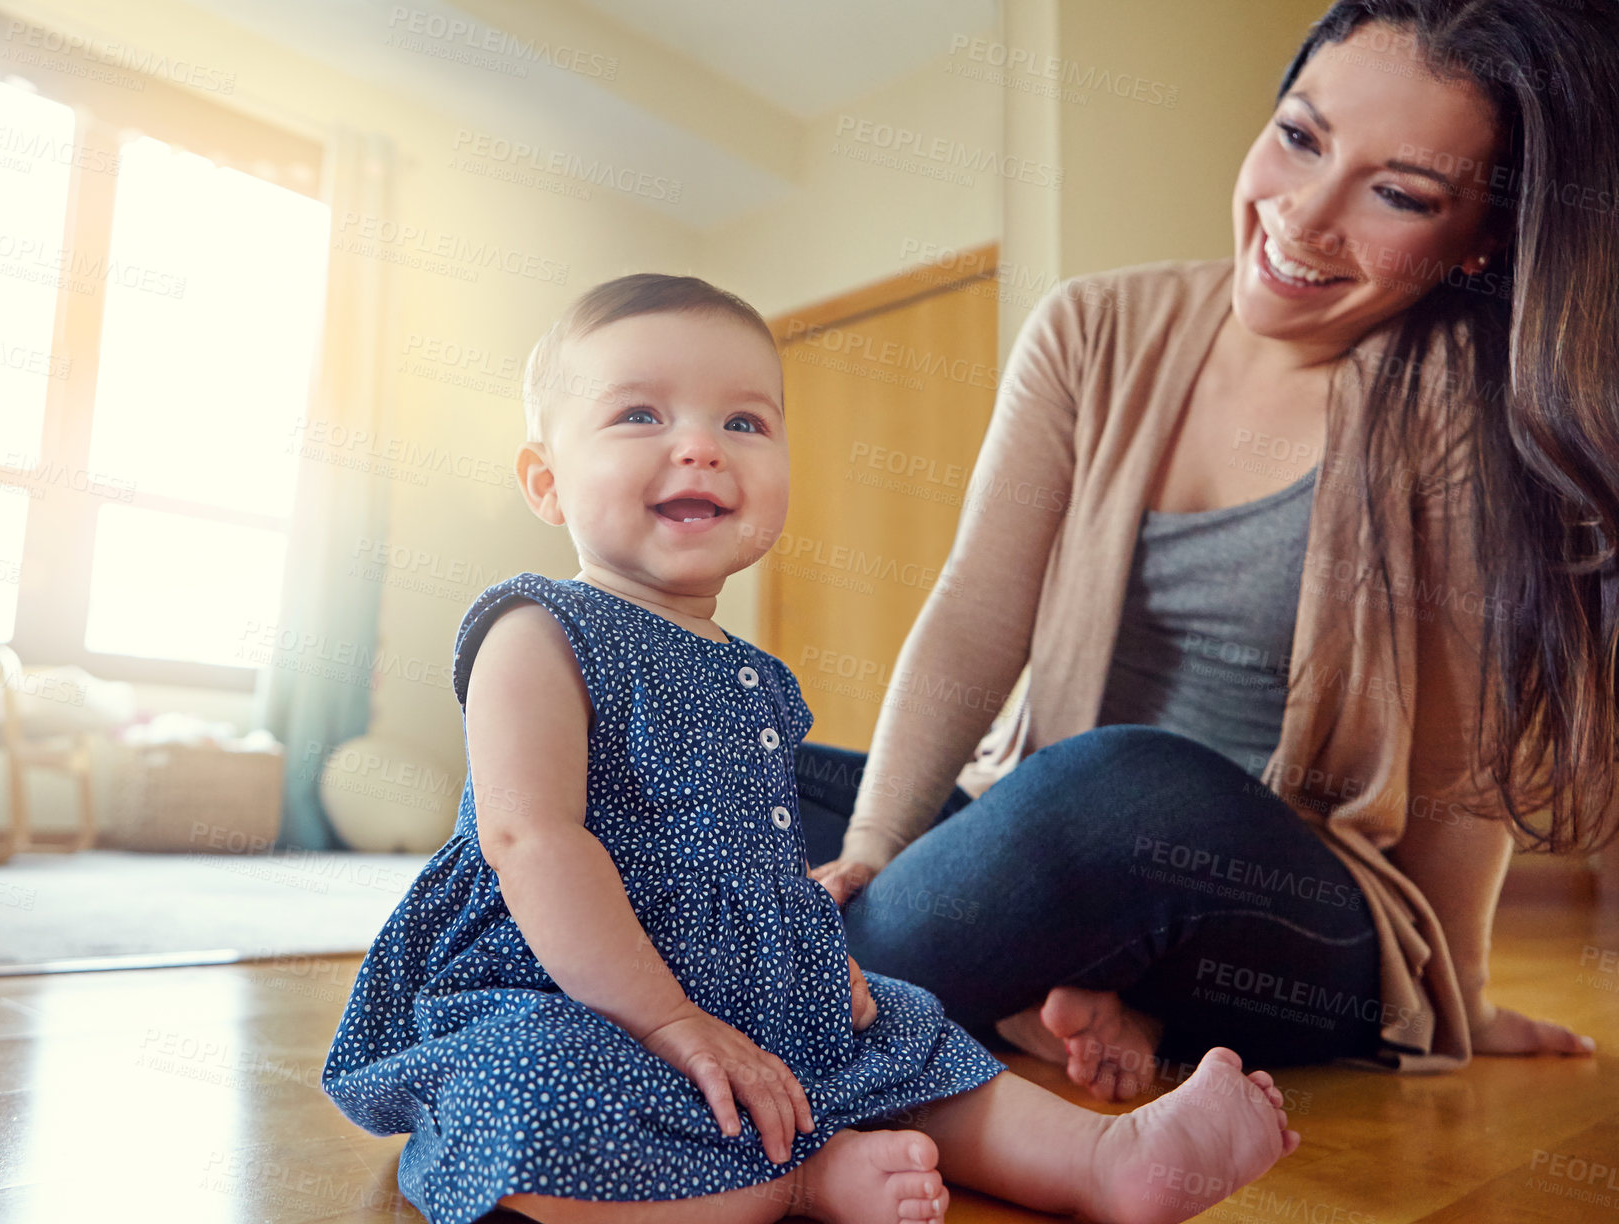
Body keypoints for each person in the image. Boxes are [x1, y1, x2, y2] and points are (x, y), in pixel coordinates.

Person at [320, 274, 1301, 1224]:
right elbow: (532, 843)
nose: (700, 448)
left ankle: (1105, 1163)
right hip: (568, 991)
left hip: (746, 998)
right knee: (530, 1089)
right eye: (639, 417)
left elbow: (758, 854)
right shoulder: (536, 632)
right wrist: (667, 1024)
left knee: (911, 1035)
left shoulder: (754, 676)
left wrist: (812, 962)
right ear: (545, 480)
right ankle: (799, 1185)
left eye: (743, 423)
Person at [803, 0, 1619, 1107]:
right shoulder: (1089, 329)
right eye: (1299, 136)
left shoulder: (1459, 413)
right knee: (710, 762)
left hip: (1279, 903)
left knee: (1119, 787)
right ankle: (1005, 986)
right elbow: (975, 608)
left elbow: (1457, 766)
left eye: (1398, 194)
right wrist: (872, 851)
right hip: (1047, 829)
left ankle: (771, 1003)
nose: (1305, 217)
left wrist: (1456, 997)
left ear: (1478, 240)